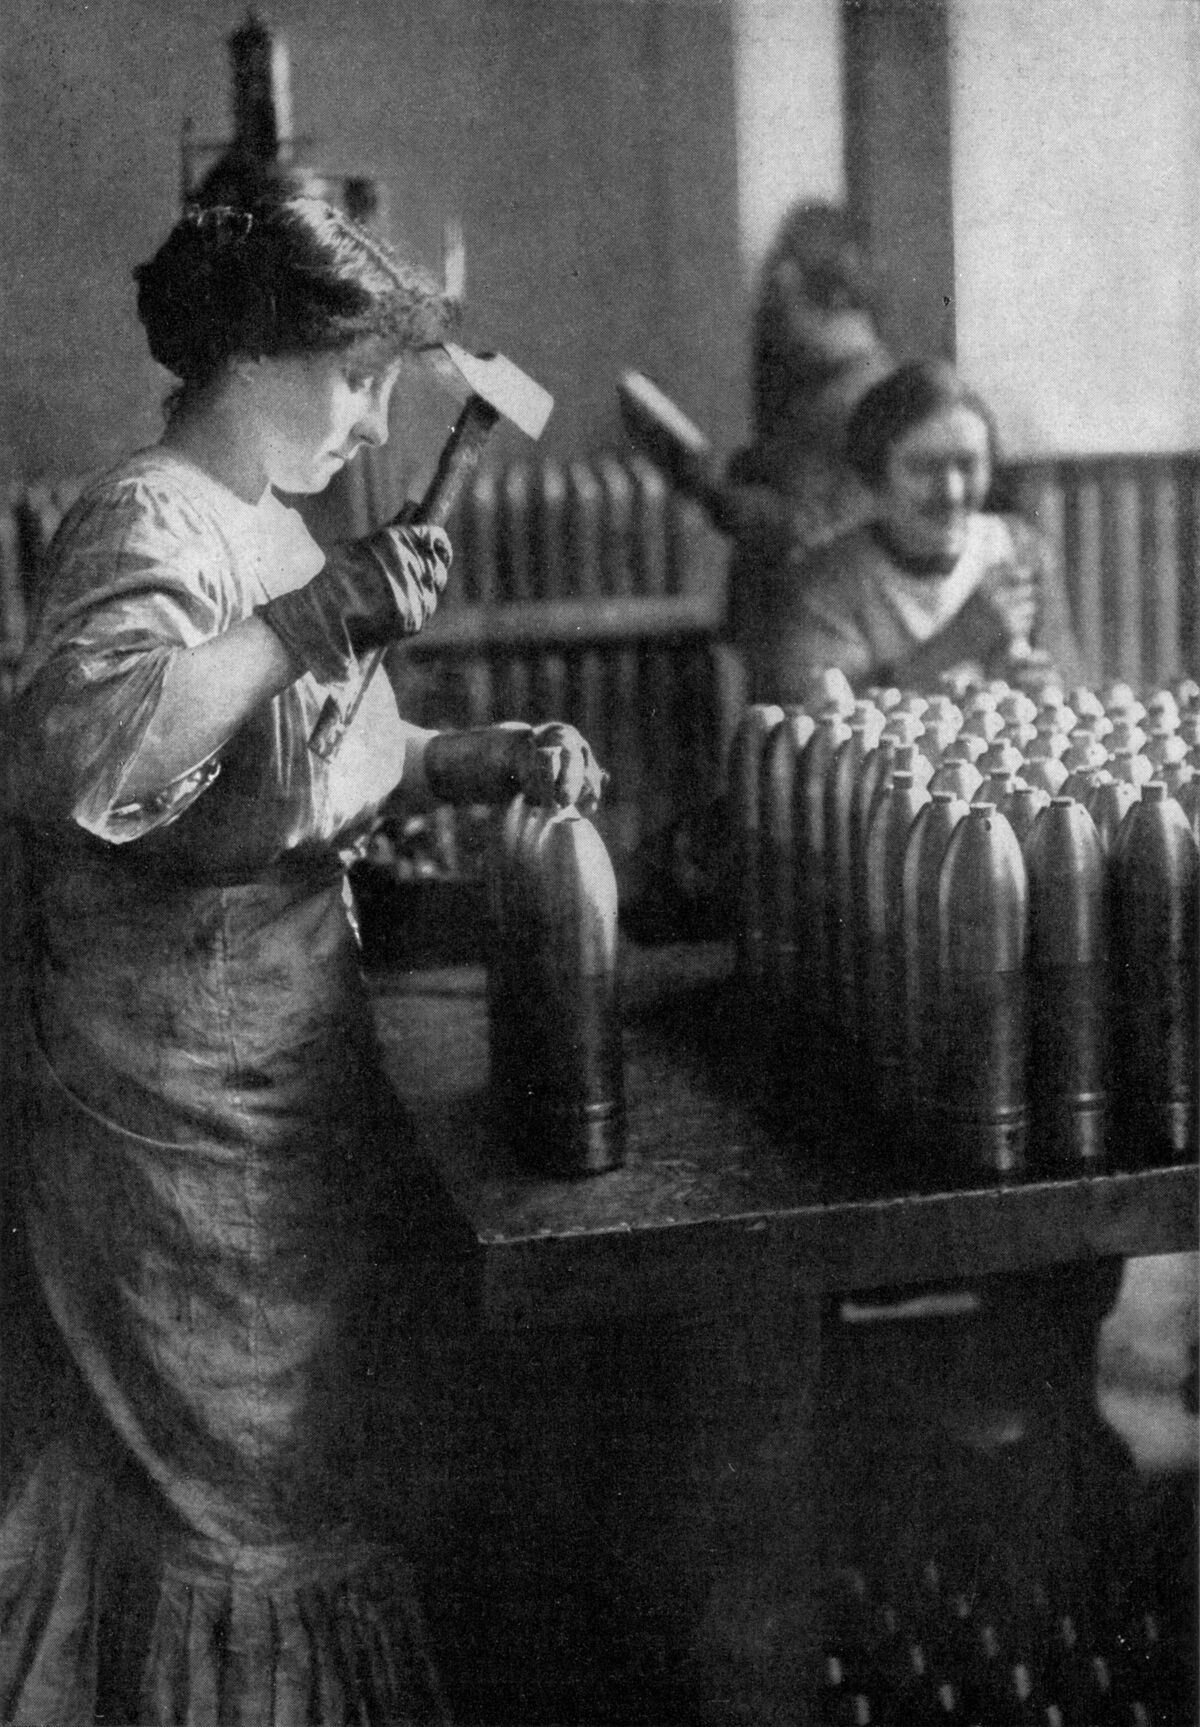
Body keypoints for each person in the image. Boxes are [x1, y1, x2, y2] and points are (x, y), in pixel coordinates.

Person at [0, 195, 602, 1722]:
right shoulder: (144, 518)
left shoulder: (271, 521)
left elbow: (330, 765)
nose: (379, 415)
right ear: (252, 353)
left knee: (295, 1463)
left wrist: (483, 753)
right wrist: (309, 615)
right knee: (223, 1492)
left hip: (281, 1057)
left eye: (399, 383)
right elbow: (87, 754)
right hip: (164, 1102)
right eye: (355, 377)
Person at [733, 358, 1085, 703]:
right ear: (876, 475)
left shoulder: (1020, 549)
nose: (952, 492)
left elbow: (1072, 685)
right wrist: (958, 641)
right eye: (923, 468)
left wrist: (1048, 689)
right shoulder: (828, 580)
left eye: (968, 464)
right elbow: (829, 725)